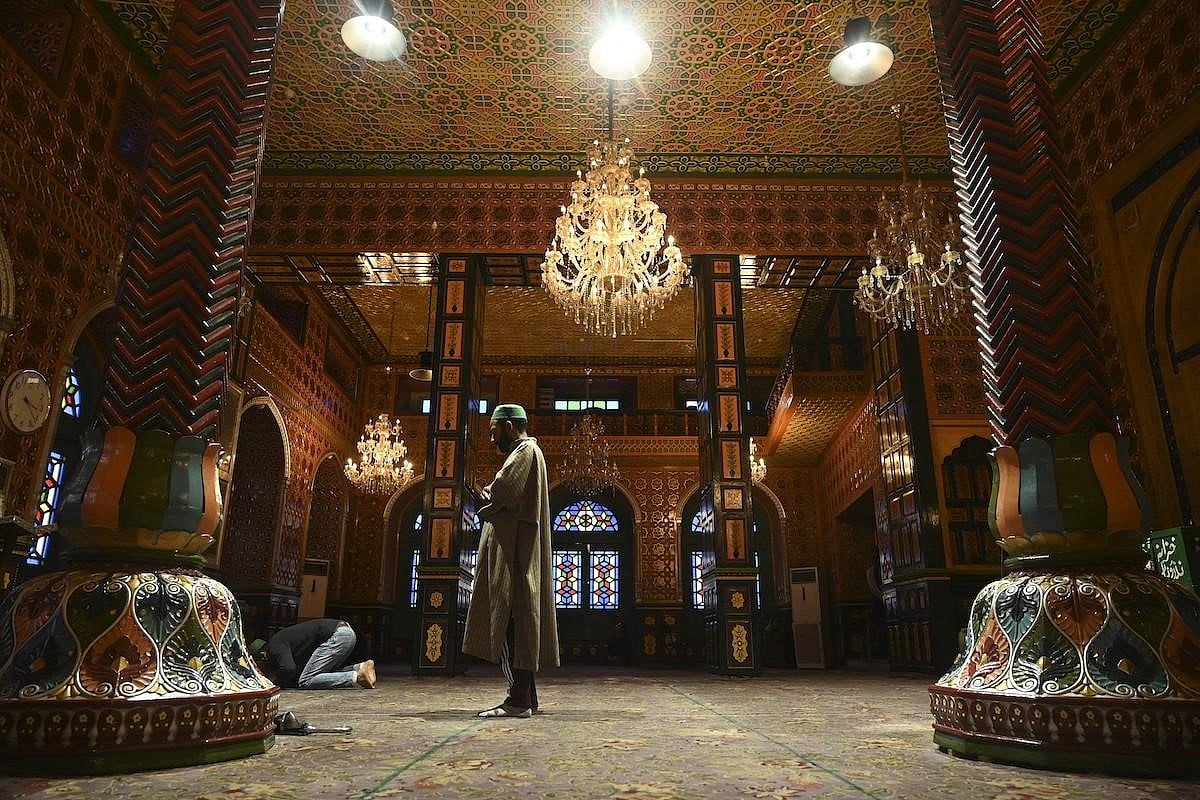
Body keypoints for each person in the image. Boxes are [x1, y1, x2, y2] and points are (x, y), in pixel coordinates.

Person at [462, 403, 559, 718]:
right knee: (517, 621)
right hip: (517, 547)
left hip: (515, 551)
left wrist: (482, 496)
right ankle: (524, 696)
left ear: (508, 425)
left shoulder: (524, 452)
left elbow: (502, 492)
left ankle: (517, 701)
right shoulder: (527, 453)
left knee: (508, 621)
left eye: (493, 430)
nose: (491, 439)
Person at [249, 618, 376, 689]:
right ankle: (361, 667)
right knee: (324, 674)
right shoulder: (282, 643)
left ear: (262, 655)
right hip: (345, 632)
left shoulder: (273, 646)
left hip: (337, 636)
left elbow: (288, 669)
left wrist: (274, 685)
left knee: (306, 680)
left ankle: (356, 676)